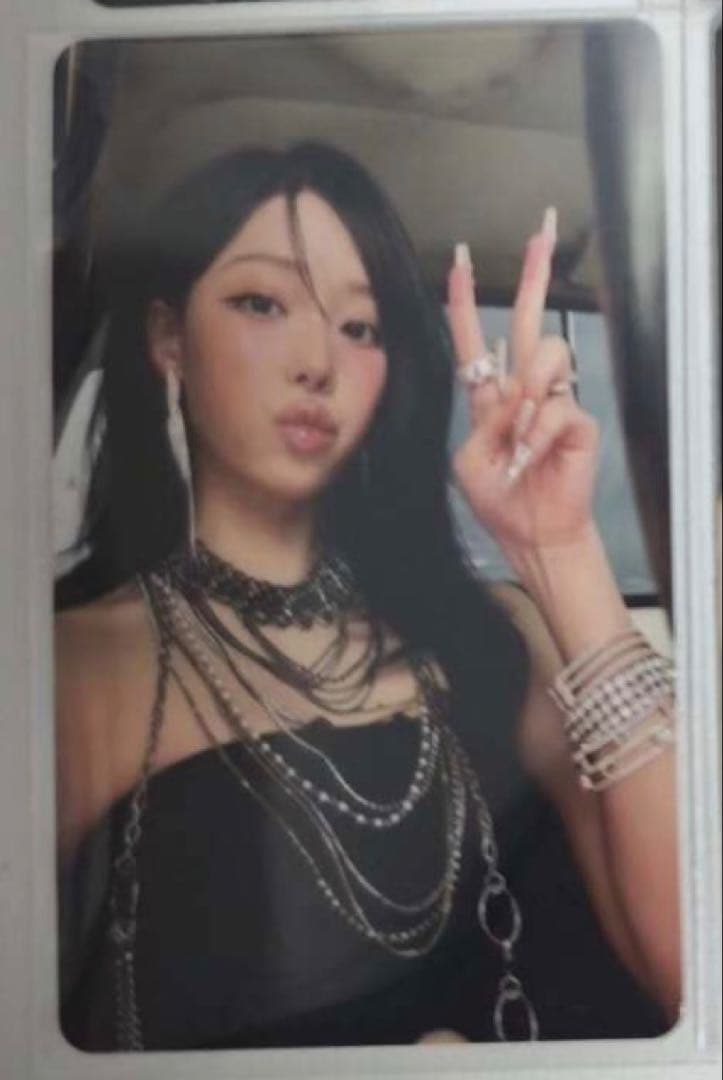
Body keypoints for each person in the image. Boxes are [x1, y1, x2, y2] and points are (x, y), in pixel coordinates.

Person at [55, 141, 680, 1052]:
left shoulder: (495, 631)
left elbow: (694, 978)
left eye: (360, 327)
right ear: (168, 338)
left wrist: (560, 551)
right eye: (262, 303)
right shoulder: (74, 669)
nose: (317, 361)